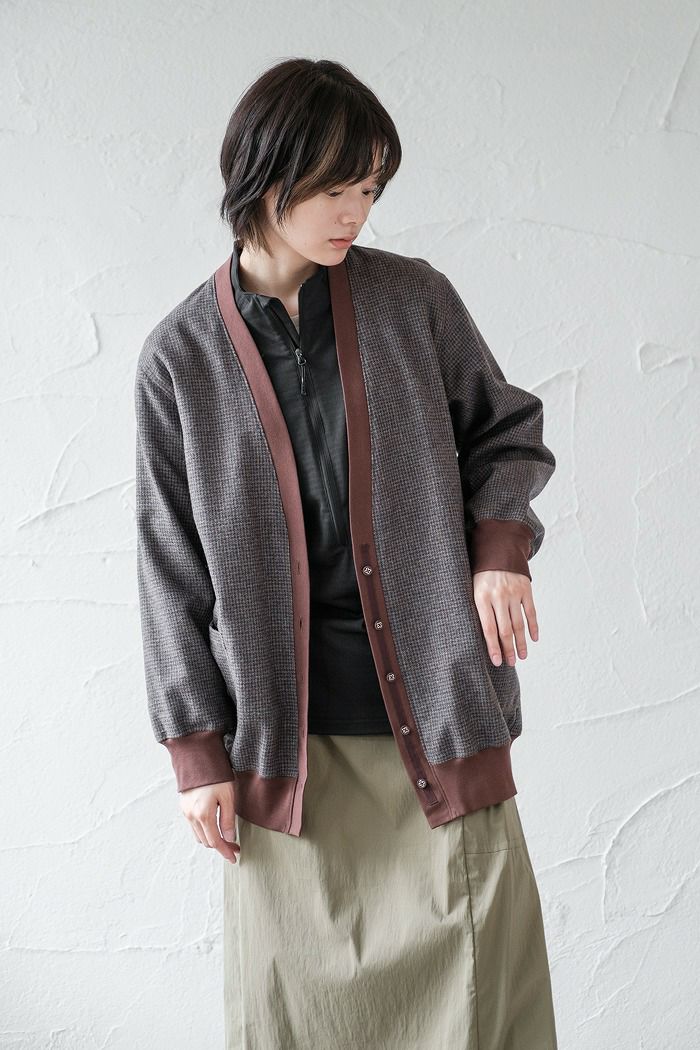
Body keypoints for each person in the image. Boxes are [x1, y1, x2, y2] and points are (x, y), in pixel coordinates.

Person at [134, 57, 559, 1050]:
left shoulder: (413, 300)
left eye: (370, 189)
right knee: (295, 1017)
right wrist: (195, 753)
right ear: (266, 175)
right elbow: (168, 568)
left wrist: (499, 549)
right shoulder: (179, 360)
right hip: (284, 751)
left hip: (437, 721)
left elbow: (507, 433)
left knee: (479, 1008)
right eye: (336, 187)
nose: (356, 213)